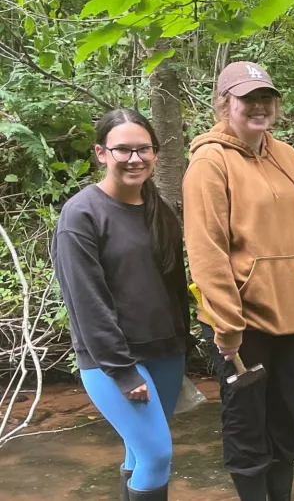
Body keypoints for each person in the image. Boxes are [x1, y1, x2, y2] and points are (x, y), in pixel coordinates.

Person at [182, 61, 294, 501]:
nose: (258, 107)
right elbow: (207, 251)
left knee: (284, 419)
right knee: (246, 424)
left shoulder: (290, 158)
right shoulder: (209, 162)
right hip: (242, 324)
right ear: (225, 103)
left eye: (265, 98)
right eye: (247, 99)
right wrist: (227, 325)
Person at [51, 109, 191, 501]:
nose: (135, 159)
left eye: (143, 149)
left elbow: (173, 283)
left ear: (155, 153)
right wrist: (123, 372)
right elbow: (86, 301)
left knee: (138, 450)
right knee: (157, 455)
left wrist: (186, 342)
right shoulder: (81, 215)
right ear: (101, 153)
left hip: (165, 351)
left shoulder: (158, 209)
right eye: (123, 150)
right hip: (113, 363)